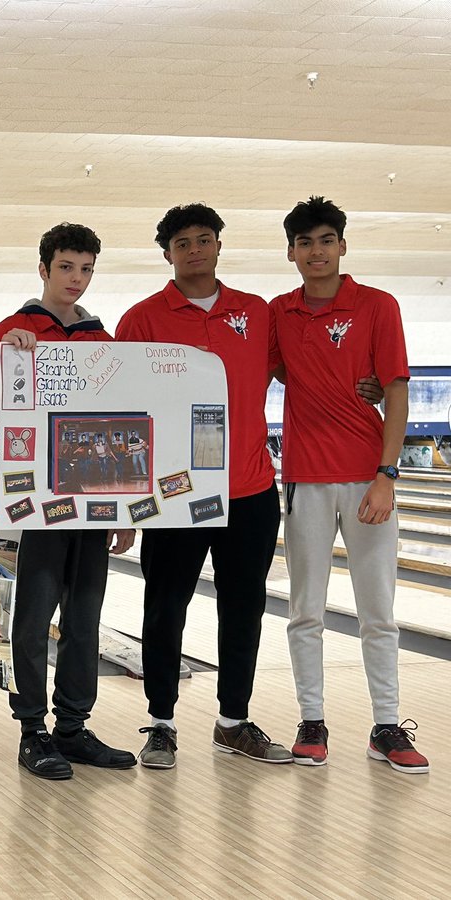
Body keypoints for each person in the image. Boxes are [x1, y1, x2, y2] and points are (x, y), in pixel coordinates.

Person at [116, 204, 288, 769]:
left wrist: (365, 383)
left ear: (219, 245)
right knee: (165, 608)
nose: (195, 249)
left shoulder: (256, 312)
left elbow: (300, 370)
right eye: (182, 242)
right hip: (173, 494)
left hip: (250, 489)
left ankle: (232, 721)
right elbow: (122, 413)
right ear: (167, 253)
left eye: (204, 239)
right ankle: (161, 722)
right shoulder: (142, 319)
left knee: (244, 608)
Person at [0, 222, 136, 780]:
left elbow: (120, 428)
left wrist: (129, 510)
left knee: (86, 619)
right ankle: (32, 730)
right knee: (34, 618)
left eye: (86, 269)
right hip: (35, 504)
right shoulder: (13, 329)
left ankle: (73, 728)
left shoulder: (102, 341)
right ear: (43, 269)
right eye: (66, 267)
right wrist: (5, 363)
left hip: (91, 505)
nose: (77, 280)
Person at [270, 196, 428, 773]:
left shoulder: (378, 306)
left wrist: (388, 476)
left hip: (368, 475)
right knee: (304, 610)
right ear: (291, 252)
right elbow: (278, 370)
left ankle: (386, 725)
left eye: (326, 240)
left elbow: (397, 390)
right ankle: (313, 721)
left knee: (378, 611)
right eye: (305, 242)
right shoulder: (279, 313)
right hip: (306, 480)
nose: (317, 251)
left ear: (342, 245)